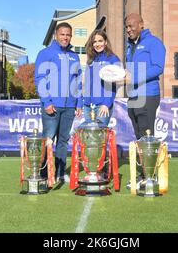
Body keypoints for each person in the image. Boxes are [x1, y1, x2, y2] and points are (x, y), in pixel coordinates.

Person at [35, 22, 83, 183]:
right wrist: (47, 102)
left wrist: (79, 103)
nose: (65, 37)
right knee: (48, 139)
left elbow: (78, 81)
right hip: (52, 106)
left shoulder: (74, 56)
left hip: (70, 106)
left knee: (63, 141)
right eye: (62, 34)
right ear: (56, 35)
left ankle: (61, 173)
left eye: (68, 34)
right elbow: (40, 78)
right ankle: (43, 174)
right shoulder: (46, 53)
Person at [123, 13, 166, 140]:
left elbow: (158, 67)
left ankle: (149, 160)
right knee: (138, 134)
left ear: (141, 25)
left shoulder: (154, 42)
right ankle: (141, 160)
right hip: (133, 95)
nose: (128, 30)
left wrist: (134, 78)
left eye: (131, 26)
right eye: (126, 27)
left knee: (146, 134)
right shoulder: (130, 46)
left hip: (148, 94)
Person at [83, 29, 121, 126]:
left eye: (100, 41)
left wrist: (106, 104)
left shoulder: (113, 59)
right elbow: (87, 83)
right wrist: (84, 101)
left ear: (105, 42)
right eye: (94, 42)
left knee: (98, 138)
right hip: (88, 106)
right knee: (88, 138)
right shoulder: (91, 60)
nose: (97, 44)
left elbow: (115, 84)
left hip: (102, 105)